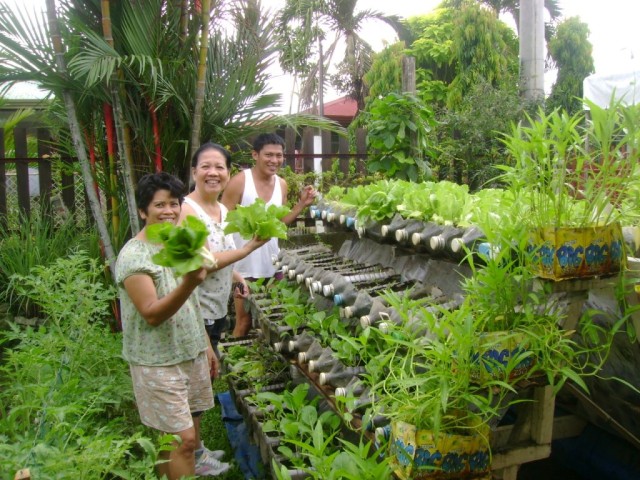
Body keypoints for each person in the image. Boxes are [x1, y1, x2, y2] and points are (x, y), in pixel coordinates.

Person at [115, 172, 266, 479]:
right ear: (143, 211)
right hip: (157, 360)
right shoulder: (134, 257)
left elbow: (195, 299)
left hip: (189, 349)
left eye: (173, 203)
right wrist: (188, 282)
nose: (169, 211)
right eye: (159, 205)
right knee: (182, 441)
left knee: (174, 438)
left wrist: (206, 346)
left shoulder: (180, 242)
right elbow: (153, 314)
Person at [221, 133, 317, 336]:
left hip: (273, 265)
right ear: (255, 155)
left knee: (272, 318)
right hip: (244, 266)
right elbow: (221, 221)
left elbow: (278, 224)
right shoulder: (240, 182)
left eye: (279, 155)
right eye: (269, 155)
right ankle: (233, 367)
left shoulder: (281, 184)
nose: (274, 160)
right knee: (244, 321)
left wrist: (301, 205)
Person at [178, 142, 249, 356]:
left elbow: (223, 257)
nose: (213, 173)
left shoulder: (223, 210)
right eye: (205, 167)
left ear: (228, 173)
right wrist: (248, 249)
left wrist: (238, 277)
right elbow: (202, 263)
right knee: (198, 377)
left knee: (208, 376)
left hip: (217, 311)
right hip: (194, 314)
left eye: (219, 167)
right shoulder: (185, 210)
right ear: (194, 172)